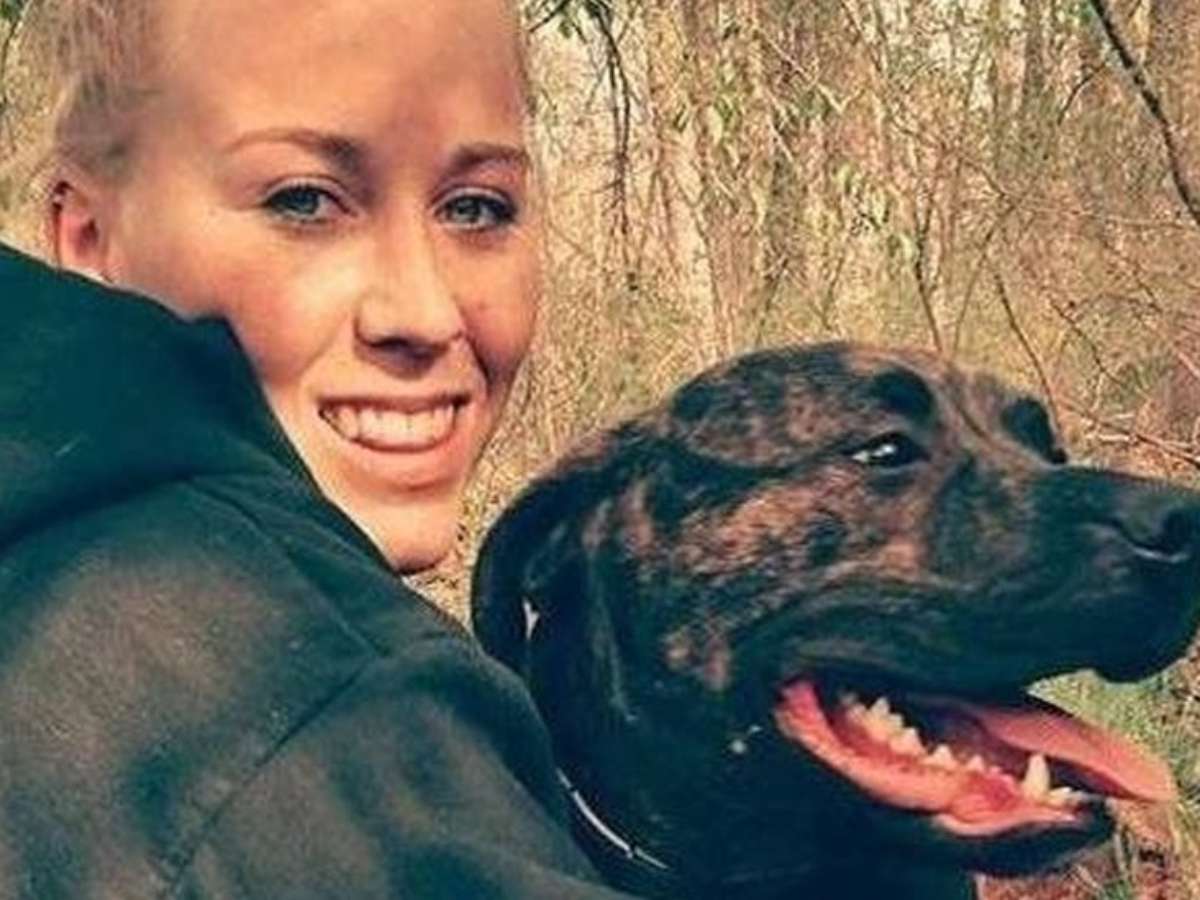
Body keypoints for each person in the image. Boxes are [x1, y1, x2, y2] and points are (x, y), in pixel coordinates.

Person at [0, 0, 631, 896]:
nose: (421, 312)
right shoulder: (311, 716)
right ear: (89, 240)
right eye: (304, 201)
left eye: (476, 208)